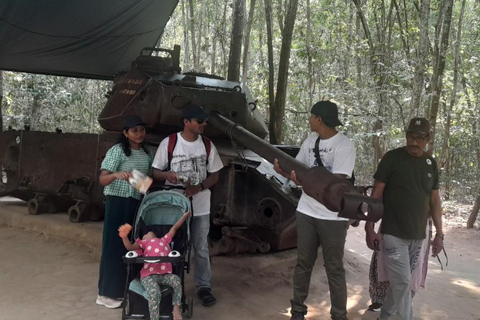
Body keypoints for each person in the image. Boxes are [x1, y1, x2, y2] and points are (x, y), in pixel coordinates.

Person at [274, 100, 356, 320]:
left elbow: (335, 184)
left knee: (334, 267)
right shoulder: (310, 141)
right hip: (307, 211)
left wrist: (304, 181)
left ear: (319, 119)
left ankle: (339, 314)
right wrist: (284, 172)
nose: (309, 119)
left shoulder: (344, 145)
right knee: (303, 263)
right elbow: (298, 170)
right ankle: (297, 310)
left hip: (332, 216)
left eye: (311, 116)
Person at [365, 117, 444, 320]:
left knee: (400, 283)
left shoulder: (430, 164)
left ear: (428, 139)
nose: (414, 142)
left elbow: (435, 201)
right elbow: (376, 196)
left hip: (417, 236)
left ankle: (385, 317)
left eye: (419, 138)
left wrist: (439, 235)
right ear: (406, 136)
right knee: (402, 283)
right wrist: (369, 228)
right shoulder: (392, 158)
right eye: (410, 137)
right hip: (392, 233)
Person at [151, 103, 223, 307]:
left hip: (200, 206)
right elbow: (155, 171)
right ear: (186, 122)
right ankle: (169, 283)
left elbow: (215, 175)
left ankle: (203, 286)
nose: (204, 124)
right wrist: (166, 175)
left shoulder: (207, 145)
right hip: (174, 206)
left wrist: (199, 187)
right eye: (199, 121)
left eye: (204, 121)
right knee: (171, 245)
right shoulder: (170, 142)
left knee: (200, 247)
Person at [96, 115, 153, 308]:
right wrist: (114, 175)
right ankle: (105, 294)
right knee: (113, 247)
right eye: (134, 130)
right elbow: (102, 179)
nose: (139, 134)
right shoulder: (118, 151)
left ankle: (122, 290)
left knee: (130, 247)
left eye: (142, 130)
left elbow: (146, 184)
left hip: (135, 204)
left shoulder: (146, 154)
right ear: (125, 133)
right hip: (117, 203)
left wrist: (137, 181)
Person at [118, 210, 192, 320]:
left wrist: (184, 216)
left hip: (165, 274)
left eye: (149, 233)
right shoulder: (142, 245)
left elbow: (175, 227)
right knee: (154, 292)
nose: (147, 233)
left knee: (176, 280)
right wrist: (124, 237)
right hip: (149, 276)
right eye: (144, 235)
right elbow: (129, 247)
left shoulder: (164, 239)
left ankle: (176, 308)